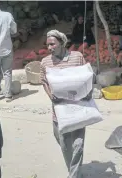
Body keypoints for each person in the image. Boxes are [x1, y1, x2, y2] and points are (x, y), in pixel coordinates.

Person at [40, 30, 91, 178]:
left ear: (62, 43)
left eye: (52, 44)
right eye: (48, 45)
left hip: (78, 108)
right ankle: (74, 171)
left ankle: (74, 175)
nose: (50, 48)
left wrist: (88, 93)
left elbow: (86, 76)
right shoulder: (45, 62)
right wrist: (52, 97)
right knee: (64, 144)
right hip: (59, 111)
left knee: (78, 144)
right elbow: (44, 81)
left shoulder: (77, 57)